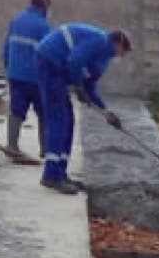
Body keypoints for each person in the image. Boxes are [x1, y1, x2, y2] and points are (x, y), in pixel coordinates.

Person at [35, 23, 130, 194]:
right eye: (123, 51)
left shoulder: (103, 57)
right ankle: (51, 175)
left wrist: (105, 111)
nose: (121, 56)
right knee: (59, 119)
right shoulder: (99, 41)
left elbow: (90, 86)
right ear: (118, 44)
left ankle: (60, 172)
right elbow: (74, 61)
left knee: (69, 122)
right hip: (50, 62)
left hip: (59, 71)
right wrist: (78, 87)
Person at [2, 0, 52, 155]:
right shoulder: (43, 26)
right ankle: (45, 149)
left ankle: (12, 145)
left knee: (16, 111)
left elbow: (6, 47)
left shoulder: (16, 20)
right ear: (45, 6)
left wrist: (9, 67)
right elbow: (48, 54)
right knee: (44, 113)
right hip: (36, 79)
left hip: (15, 75)